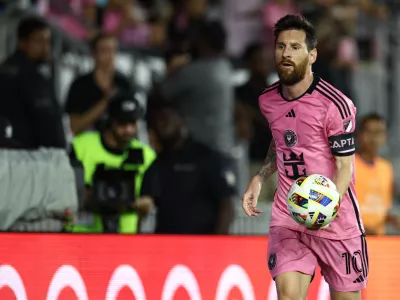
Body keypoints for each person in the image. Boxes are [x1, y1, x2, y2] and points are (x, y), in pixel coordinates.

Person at [242, 15, 368, 300]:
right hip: (290, 215)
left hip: (336, 222)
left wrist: (324, 208)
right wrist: (260, 178)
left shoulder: (336, 105)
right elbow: (281, 141)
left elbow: (344, 166)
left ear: (312, 55)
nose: (286, 53)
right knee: (288, 295)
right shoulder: (267, 100)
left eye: (295, 47)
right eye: (280, 46)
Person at [69, 92, 157, 233]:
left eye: (132, 123)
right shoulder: (81, 146)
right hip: (82, 236)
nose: (128, 129)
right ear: (110, 121)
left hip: (125, 240)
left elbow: (150, 200)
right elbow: (63, 190)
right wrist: (92, 196)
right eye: (122, 123)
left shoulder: (146, 155)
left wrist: (132, 202)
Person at [147, 103, 235, 234]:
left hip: (202, 244)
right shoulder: (157, 162)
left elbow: (226, 204)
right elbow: (146, 201)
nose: (162, 125)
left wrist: (219, 242)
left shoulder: (205, 156)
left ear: (182, 120)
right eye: (157, 120)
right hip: (165, 244)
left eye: (166, 118)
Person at [0, 16, 66, 149]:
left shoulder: (7, 68)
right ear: (22, 42)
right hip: (29, 156)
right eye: (39, 41)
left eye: (48, 41)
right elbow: (44, 118)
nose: (45, 48)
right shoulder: (26, 75)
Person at [65, 33, 133, 135]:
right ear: (94, 54)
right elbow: (74, 126)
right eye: (105, 50)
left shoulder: (123, 83)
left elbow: (131, 123)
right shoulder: (80, 85)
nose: (110, 56)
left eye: (114, 50)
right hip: (88, 144)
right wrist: (105, 102)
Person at [355, 113, 399, 235]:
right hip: (355, 239)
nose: (373, 138)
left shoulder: (386, 168)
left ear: (385, 137)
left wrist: (393, 219)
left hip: (379, 240)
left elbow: (384, 209)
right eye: (369, 132)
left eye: (379, 132)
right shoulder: (348, 166)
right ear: (359, 135)